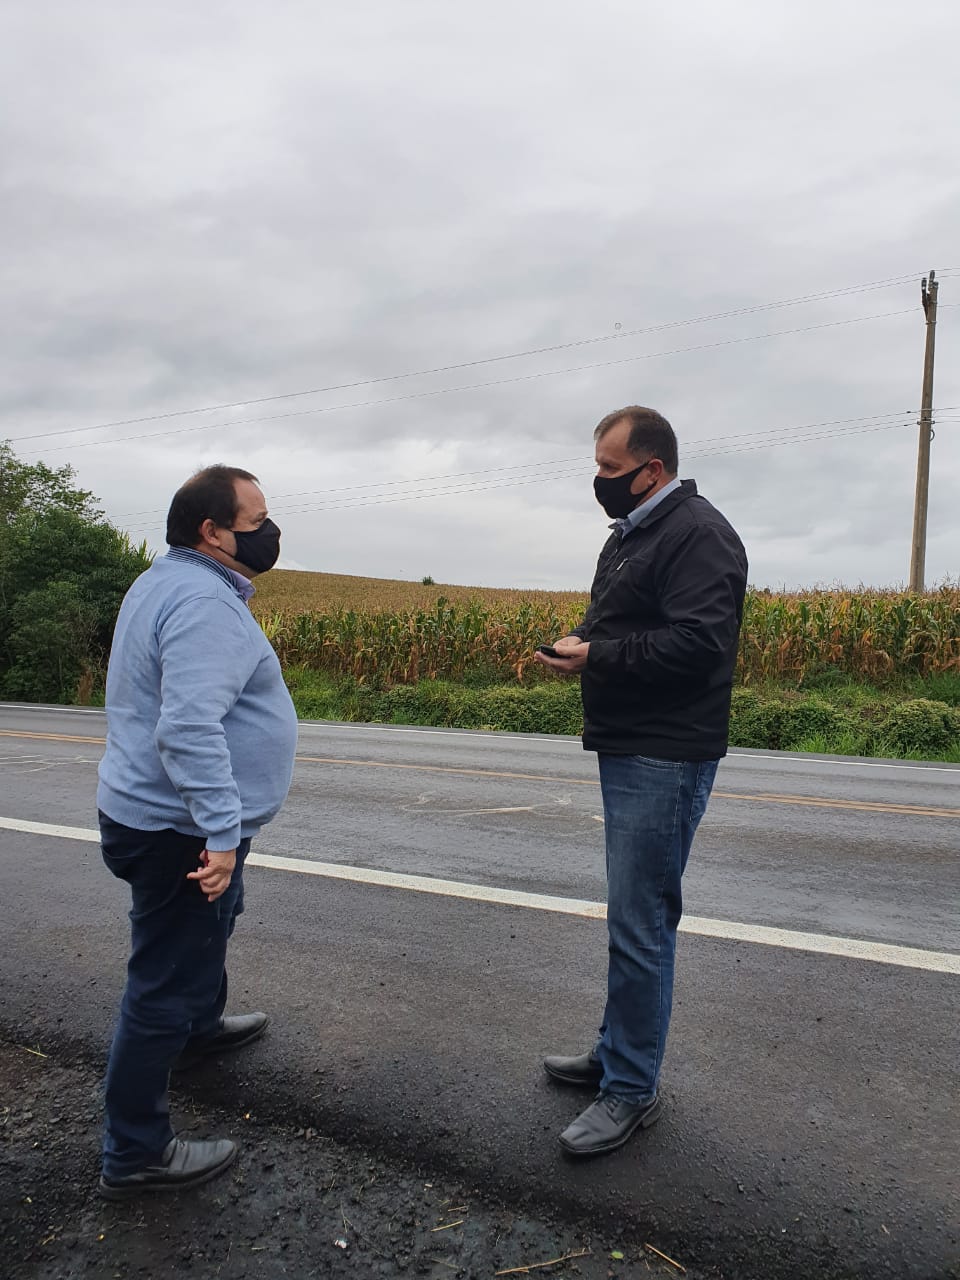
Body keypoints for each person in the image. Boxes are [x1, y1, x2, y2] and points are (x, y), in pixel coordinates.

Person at [535, 406, 747, 1158]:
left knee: (642, 923)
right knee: (631, 916)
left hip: (665, 751)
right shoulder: (632, 535)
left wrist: (597, 657)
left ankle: (630, 1088)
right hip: (631, 743)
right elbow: (624, 623)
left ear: (652, 470)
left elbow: (699, 643)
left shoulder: (698, 534)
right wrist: (582, 641)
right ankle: (614, 1053)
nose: (598, 480)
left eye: (609, 469)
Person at [96, 465, 299, 1198]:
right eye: (257, 520)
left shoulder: (167, 581)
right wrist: (218, 832)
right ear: (212, 532)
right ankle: (135, 1153)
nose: (270, 532)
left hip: (159, 815)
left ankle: (199, 1029)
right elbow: (186, 727)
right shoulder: (203, 602)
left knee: (211, 926)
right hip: (179, 827)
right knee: (163, 978)